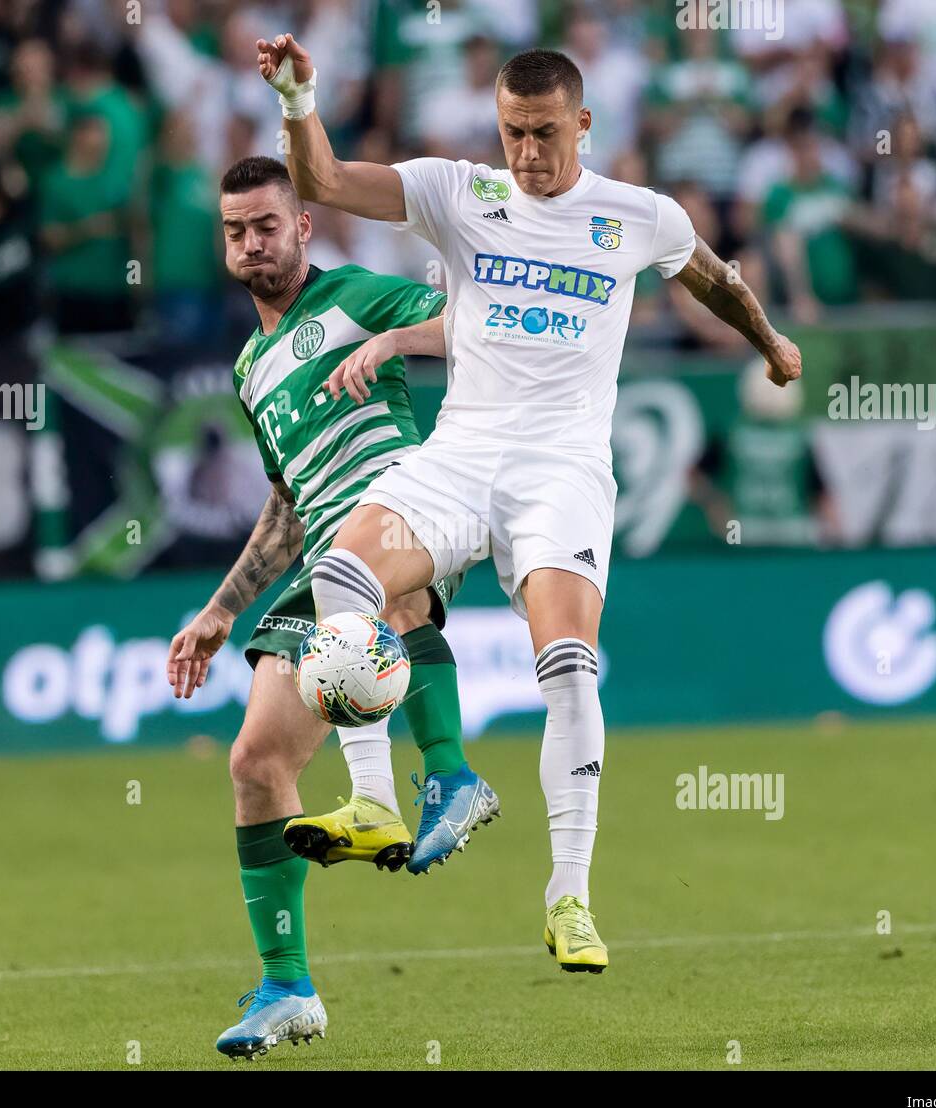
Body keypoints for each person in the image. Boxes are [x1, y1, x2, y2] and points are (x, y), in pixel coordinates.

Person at [257, 33, 802, 973]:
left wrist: (769, 340)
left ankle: (569, 897)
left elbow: (714, 276)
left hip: (562, 470)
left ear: (584, 124)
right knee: (341, 572)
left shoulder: (639, 216)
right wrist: (299, 98)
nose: (526, 154)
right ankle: (378, 798)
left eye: (544, 134)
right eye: (512, 132)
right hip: (461, 453)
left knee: (570, 669)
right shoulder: (462, 193)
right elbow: (329, 182)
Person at [165, 155, 492, 1059]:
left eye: (267, 225)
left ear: (304, 226)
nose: (251, 243)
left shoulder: (353, 295)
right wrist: (224, 607)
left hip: (402, 514)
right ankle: (288, 988)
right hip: (322, 555)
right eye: (235, 231)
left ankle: (449, 776)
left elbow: (474, 325)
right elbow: (286, 502)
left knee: (378, 608)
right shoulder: (249, 365)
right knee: (255, 763)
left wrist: (392, 343)